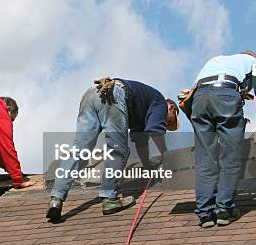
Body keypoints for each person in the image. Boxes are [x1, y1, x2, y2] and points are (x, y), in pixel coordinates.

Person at [46, 78, 179, 220]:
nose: (165, 124)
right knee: (117, 150)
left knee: (80, 150)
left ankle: (56, 198)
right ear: (170, 107)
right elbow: (155, 130)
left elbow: (140, 142)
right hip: (112, 95)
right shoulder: (160, 101)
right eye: (169, 121)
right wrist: (167, 156)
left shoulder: (144, 110)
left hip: (92, 94)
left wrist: (147, 167)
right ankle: (109, 199)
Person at [191, 51, 256, 228]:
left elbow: (198, 93)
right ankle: (224, 210)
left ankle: (205, 213)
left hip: (199, 99)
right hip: (225, 95)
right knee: (231, 156)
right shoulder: (253, 62)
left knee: (205, 159)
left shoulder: (215, 60)